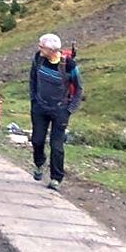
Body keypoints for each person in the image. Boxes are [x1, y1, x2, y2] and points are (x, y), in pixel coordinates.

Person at [29, 33, 83, 191]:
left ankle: (56, 179)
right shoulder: (38, 59)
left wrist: (69, 109)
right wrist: (33, 100)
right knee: (37, 140)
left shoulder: (69, 65)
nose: (39, 49)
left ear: (51, 50)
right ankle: (39, 163)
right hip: (39, 107)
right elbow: (33, 79)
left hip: (60, 110)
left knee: (57, 145)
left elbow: (79, 88)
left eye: (41, 47)